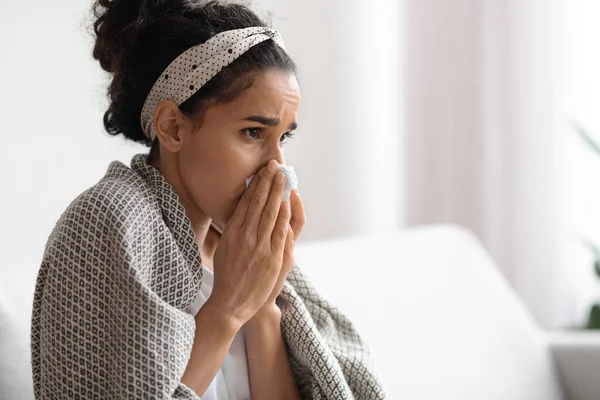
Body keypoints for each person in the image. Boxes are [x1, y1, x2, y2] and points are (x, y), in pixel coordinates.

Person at [30, 0, 387, 399]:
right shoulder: (108, 222)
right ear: (173, 128)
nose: (279, 168)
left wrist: (262, 300)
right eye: (253, 132)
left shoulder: (241, 252)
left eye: (283, 138)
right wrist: (230, 307)